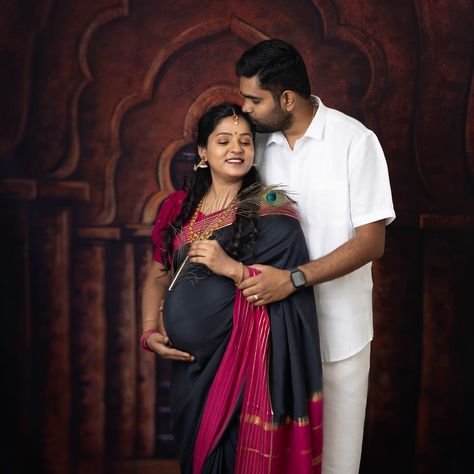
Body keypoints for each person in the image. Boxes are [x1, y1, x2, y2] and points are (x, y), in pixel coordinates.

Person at [235, 40, 395, 474]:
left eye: (254, 99)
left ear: (286, 98)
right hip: (272, 334)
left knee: (338, 465)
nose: (245, 108)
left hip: (338, 334)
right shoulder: (256, 150)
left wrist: (292, 279)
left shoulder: (355, 142)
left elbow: (370, 242)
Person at [140, 103, 323, 473]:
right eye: (224, 141)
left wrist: (232, 268)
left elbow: (287, 291)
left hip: (243, 369)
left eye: (245, 141)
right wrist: (148, 330)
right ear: (204, 152)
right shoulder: (177, 207)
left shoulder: (271, 209)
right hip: (189, 373)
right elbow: (158, 275)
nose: (236, 149)